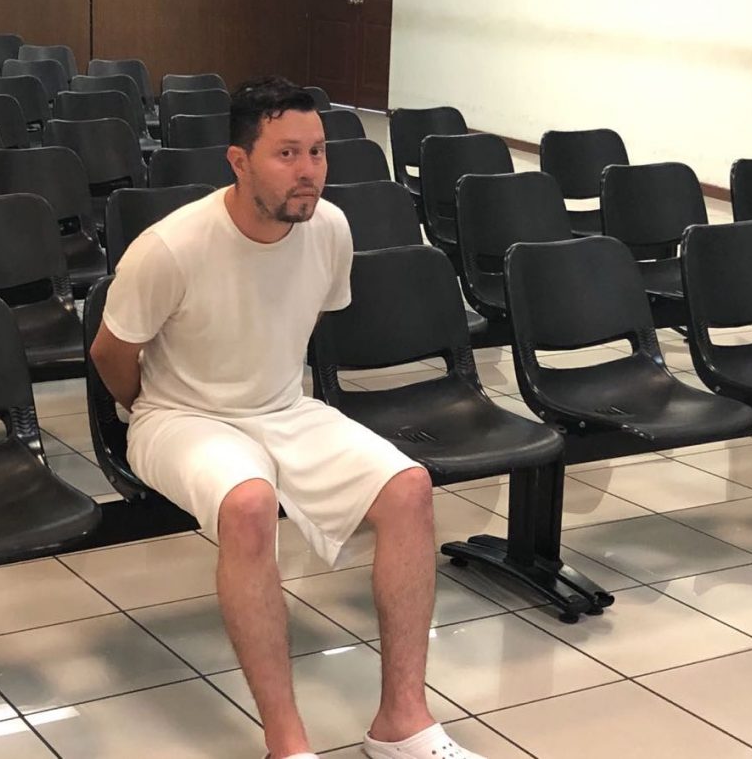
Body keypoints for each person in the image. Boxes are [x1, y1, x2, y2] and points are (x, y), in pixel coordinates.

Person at [90, 76, 485, 759]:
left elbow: (296, 322)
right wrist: (146, 409)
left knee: (409, 488)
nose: (308, 171)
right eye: (286, 154)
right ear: (239, 162)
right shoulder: (172, 246)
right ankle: (288, 743)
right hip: (179, 415)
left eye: (317, 152)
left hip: (282, 406)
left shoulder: (329, 228)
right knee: (249, 503)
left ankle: (403, 722)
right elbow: (110, 352)